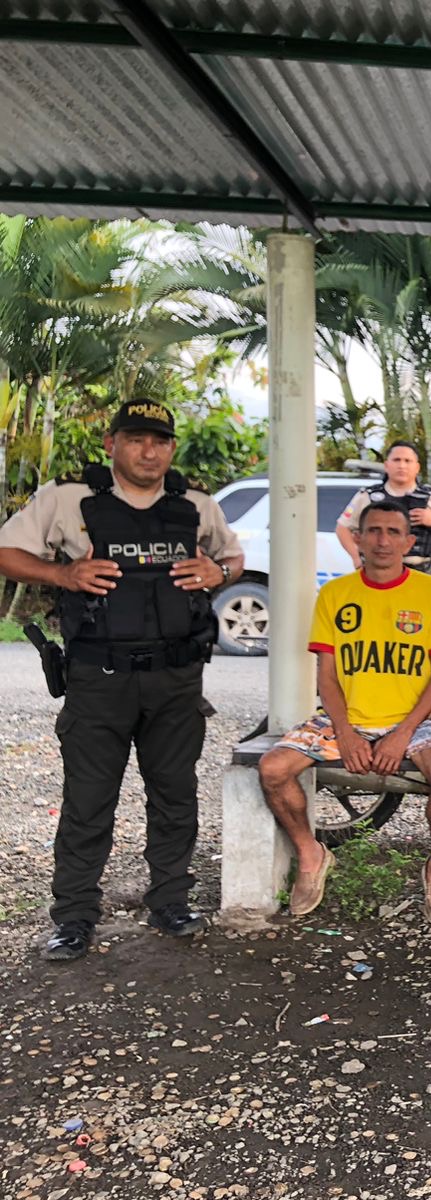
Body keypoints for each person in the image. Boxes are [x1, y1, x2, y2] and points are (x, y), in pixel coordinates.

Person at [0, 399, 243, 961]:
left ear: (171, 449)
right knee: (87, 802)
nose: (148, 451)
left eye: (159, 441)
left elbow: (232, 559)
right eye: (135, 439)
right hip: (99, 678)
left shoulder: (195, 505)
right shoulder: (68, 499)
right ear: (111, 444)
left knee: (175, 796)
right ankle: (74, 917)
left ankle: (171, 901)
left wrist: (220, 571)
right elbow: (7, 553)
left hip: (176, 679)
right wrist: (62, 573)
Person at [256, 500, 431, 922]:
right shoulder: (335, 594)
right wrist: (346, 732)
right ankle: (311, 854)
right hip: (346, 719)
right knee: (272, 769)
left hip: (417, 721)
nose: (383, 540)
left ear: (409, 541)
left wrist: (402, 734)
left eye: (393, 532)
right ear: (357, 538)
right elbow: (327, 676)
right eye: (374, 531)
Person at [335, 440, 431, 574]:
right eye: (397, 460)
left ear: (417, 467)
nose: (402, 466)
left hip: (419, 572)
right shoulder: (368, 496)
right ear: (386, 465)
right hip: (377, 572)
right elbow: (342, 528)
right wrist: (356, 559)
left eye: (407, 461)